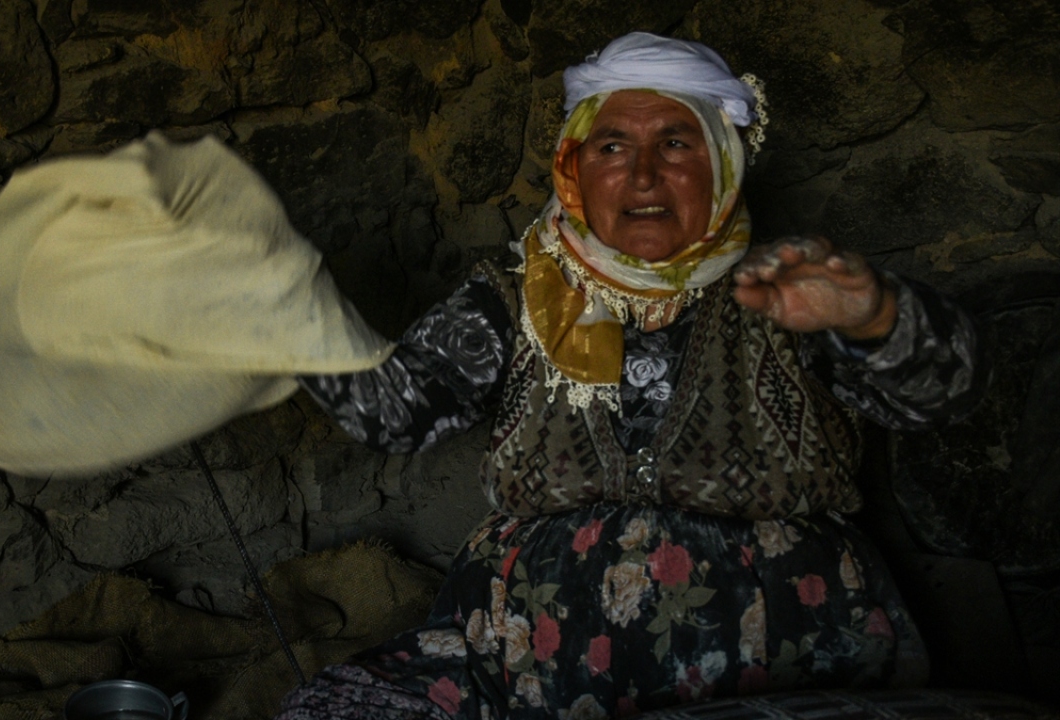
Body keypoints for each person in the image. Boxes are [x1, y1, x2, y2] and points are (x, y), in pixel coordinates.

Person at [276, 32, 986, 719]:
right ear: (574, 168)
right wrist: (283, 308)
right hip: (522, 667)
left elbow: (943, 394)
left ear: (724, 163)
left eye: (676, 144)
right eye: (612, 147)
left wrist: (873, 316)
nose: (643, 175)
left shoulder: (792, 287)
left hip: (786, 651)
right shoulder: (518, 297)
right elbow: (392, 412)